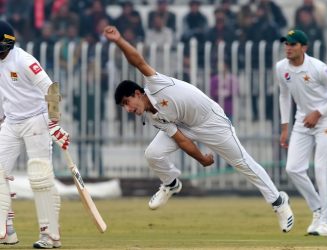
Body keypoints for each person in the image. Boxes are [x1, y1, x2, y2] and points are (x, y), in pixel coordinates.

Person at [103, 25, 294, 233]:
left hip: (211, 121)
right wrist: (201, 159)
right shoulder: (152, 117)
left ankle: (279, 202)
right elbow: (182, 139)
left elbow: (137, 61)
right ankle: (171, 183)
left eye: (126, 102)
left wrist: (119, 40)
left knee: (243, 163)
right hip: (186, 125)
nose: (128, 109)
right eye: (123, 107)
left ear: (138, 93)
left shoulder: (156, 84)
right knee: (153, 154)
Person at [0, 20, 70, 248]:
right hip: (11, 122)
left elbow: (51, 89)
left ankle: (49, 236)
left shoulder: (23, 60)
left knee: (40, 178)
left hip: (36, 120)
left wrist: (54, 122)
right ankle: (7, 229)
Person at [277, 30, 327, 236]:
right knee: (293, 169)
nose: (288, 48)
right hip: (302, 120)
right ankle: (318, 209)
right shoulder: (281, 67)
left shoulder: (318, 68)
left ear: (304, 47)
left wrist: (319, 113)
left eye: (293, 44)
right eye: (286, 44)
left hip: (326, 119)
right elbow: (283, 95)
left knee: (321, 169)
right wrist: (284, 128)